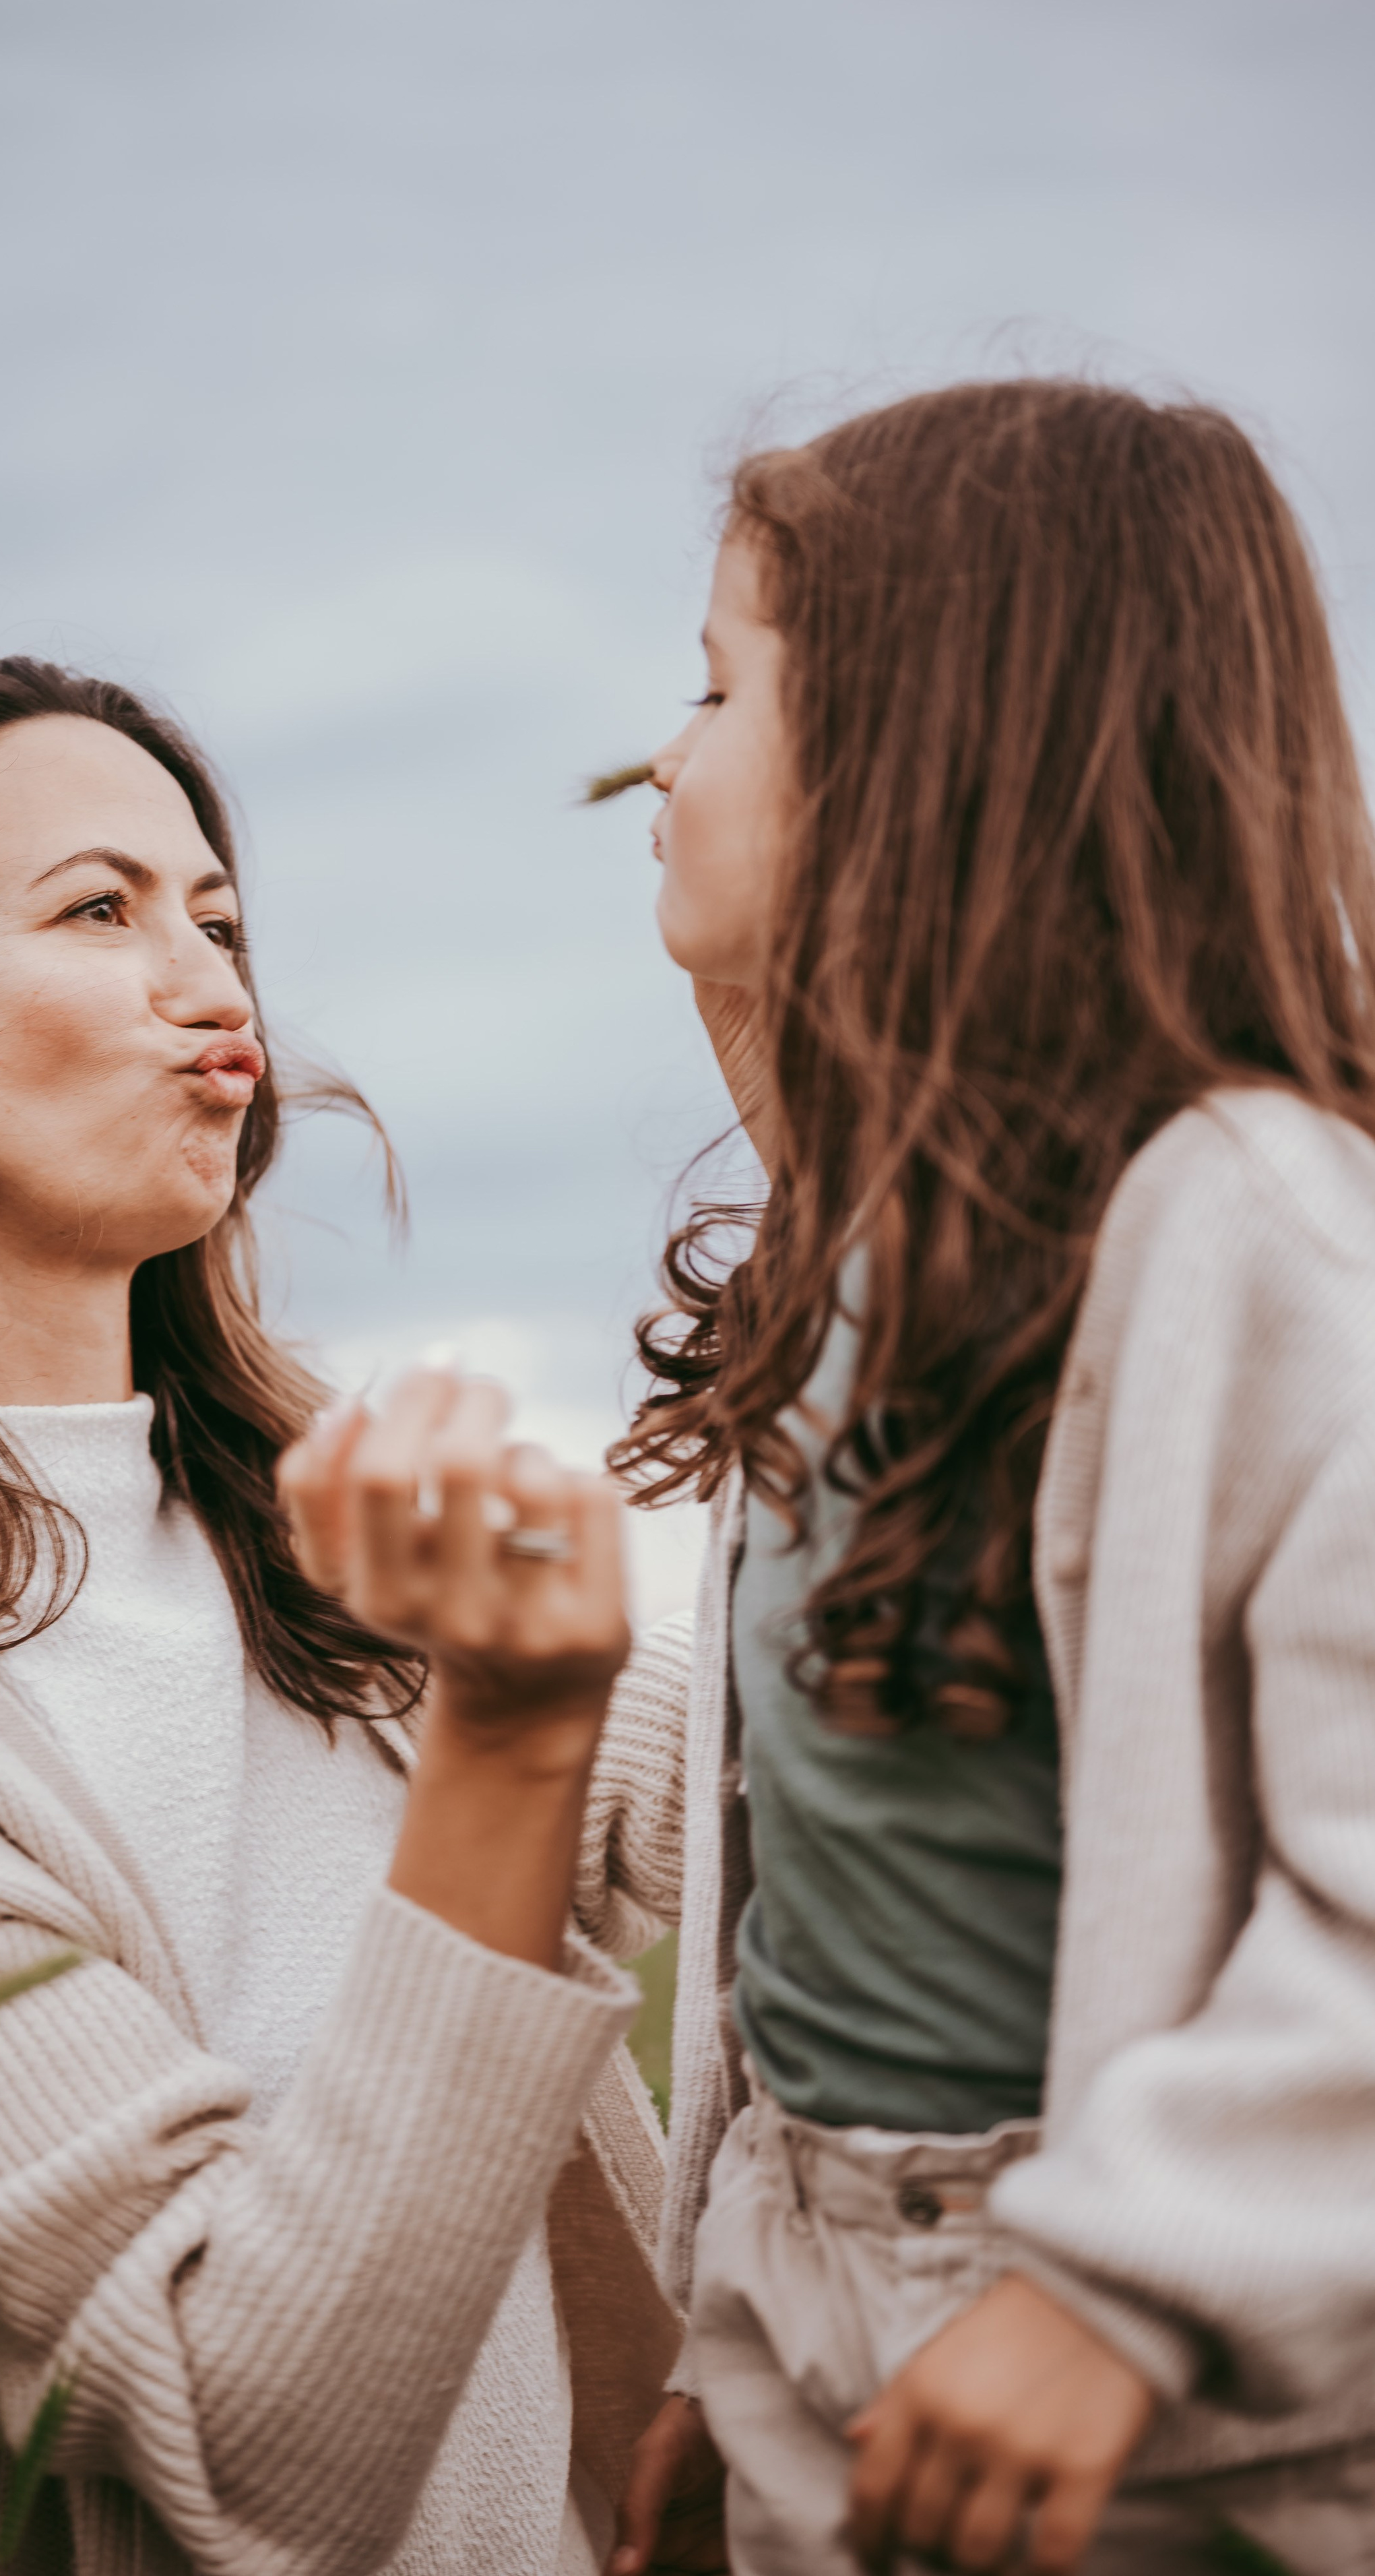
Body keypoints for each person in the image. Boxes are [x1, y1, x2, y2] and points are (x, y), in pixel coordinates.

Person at [0, 657, 695, 2575]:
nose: (215, 988)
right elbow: (262, 2449)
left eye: (221, 925)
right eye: (98, 911)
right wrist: (510, 1749)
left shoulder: (346, 1576)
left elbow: (818, 1729)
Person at [607, 381, 1375, 2575]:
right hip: (810, 2336)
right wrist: (728, 2336)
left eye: (717, 690)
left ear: (926, 755)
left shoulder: (1256, 1236)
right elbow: (807, 1910)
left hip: (1159, 2413)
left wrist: (1124, 2289)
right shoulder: (853, 1268)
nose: (659, 759)